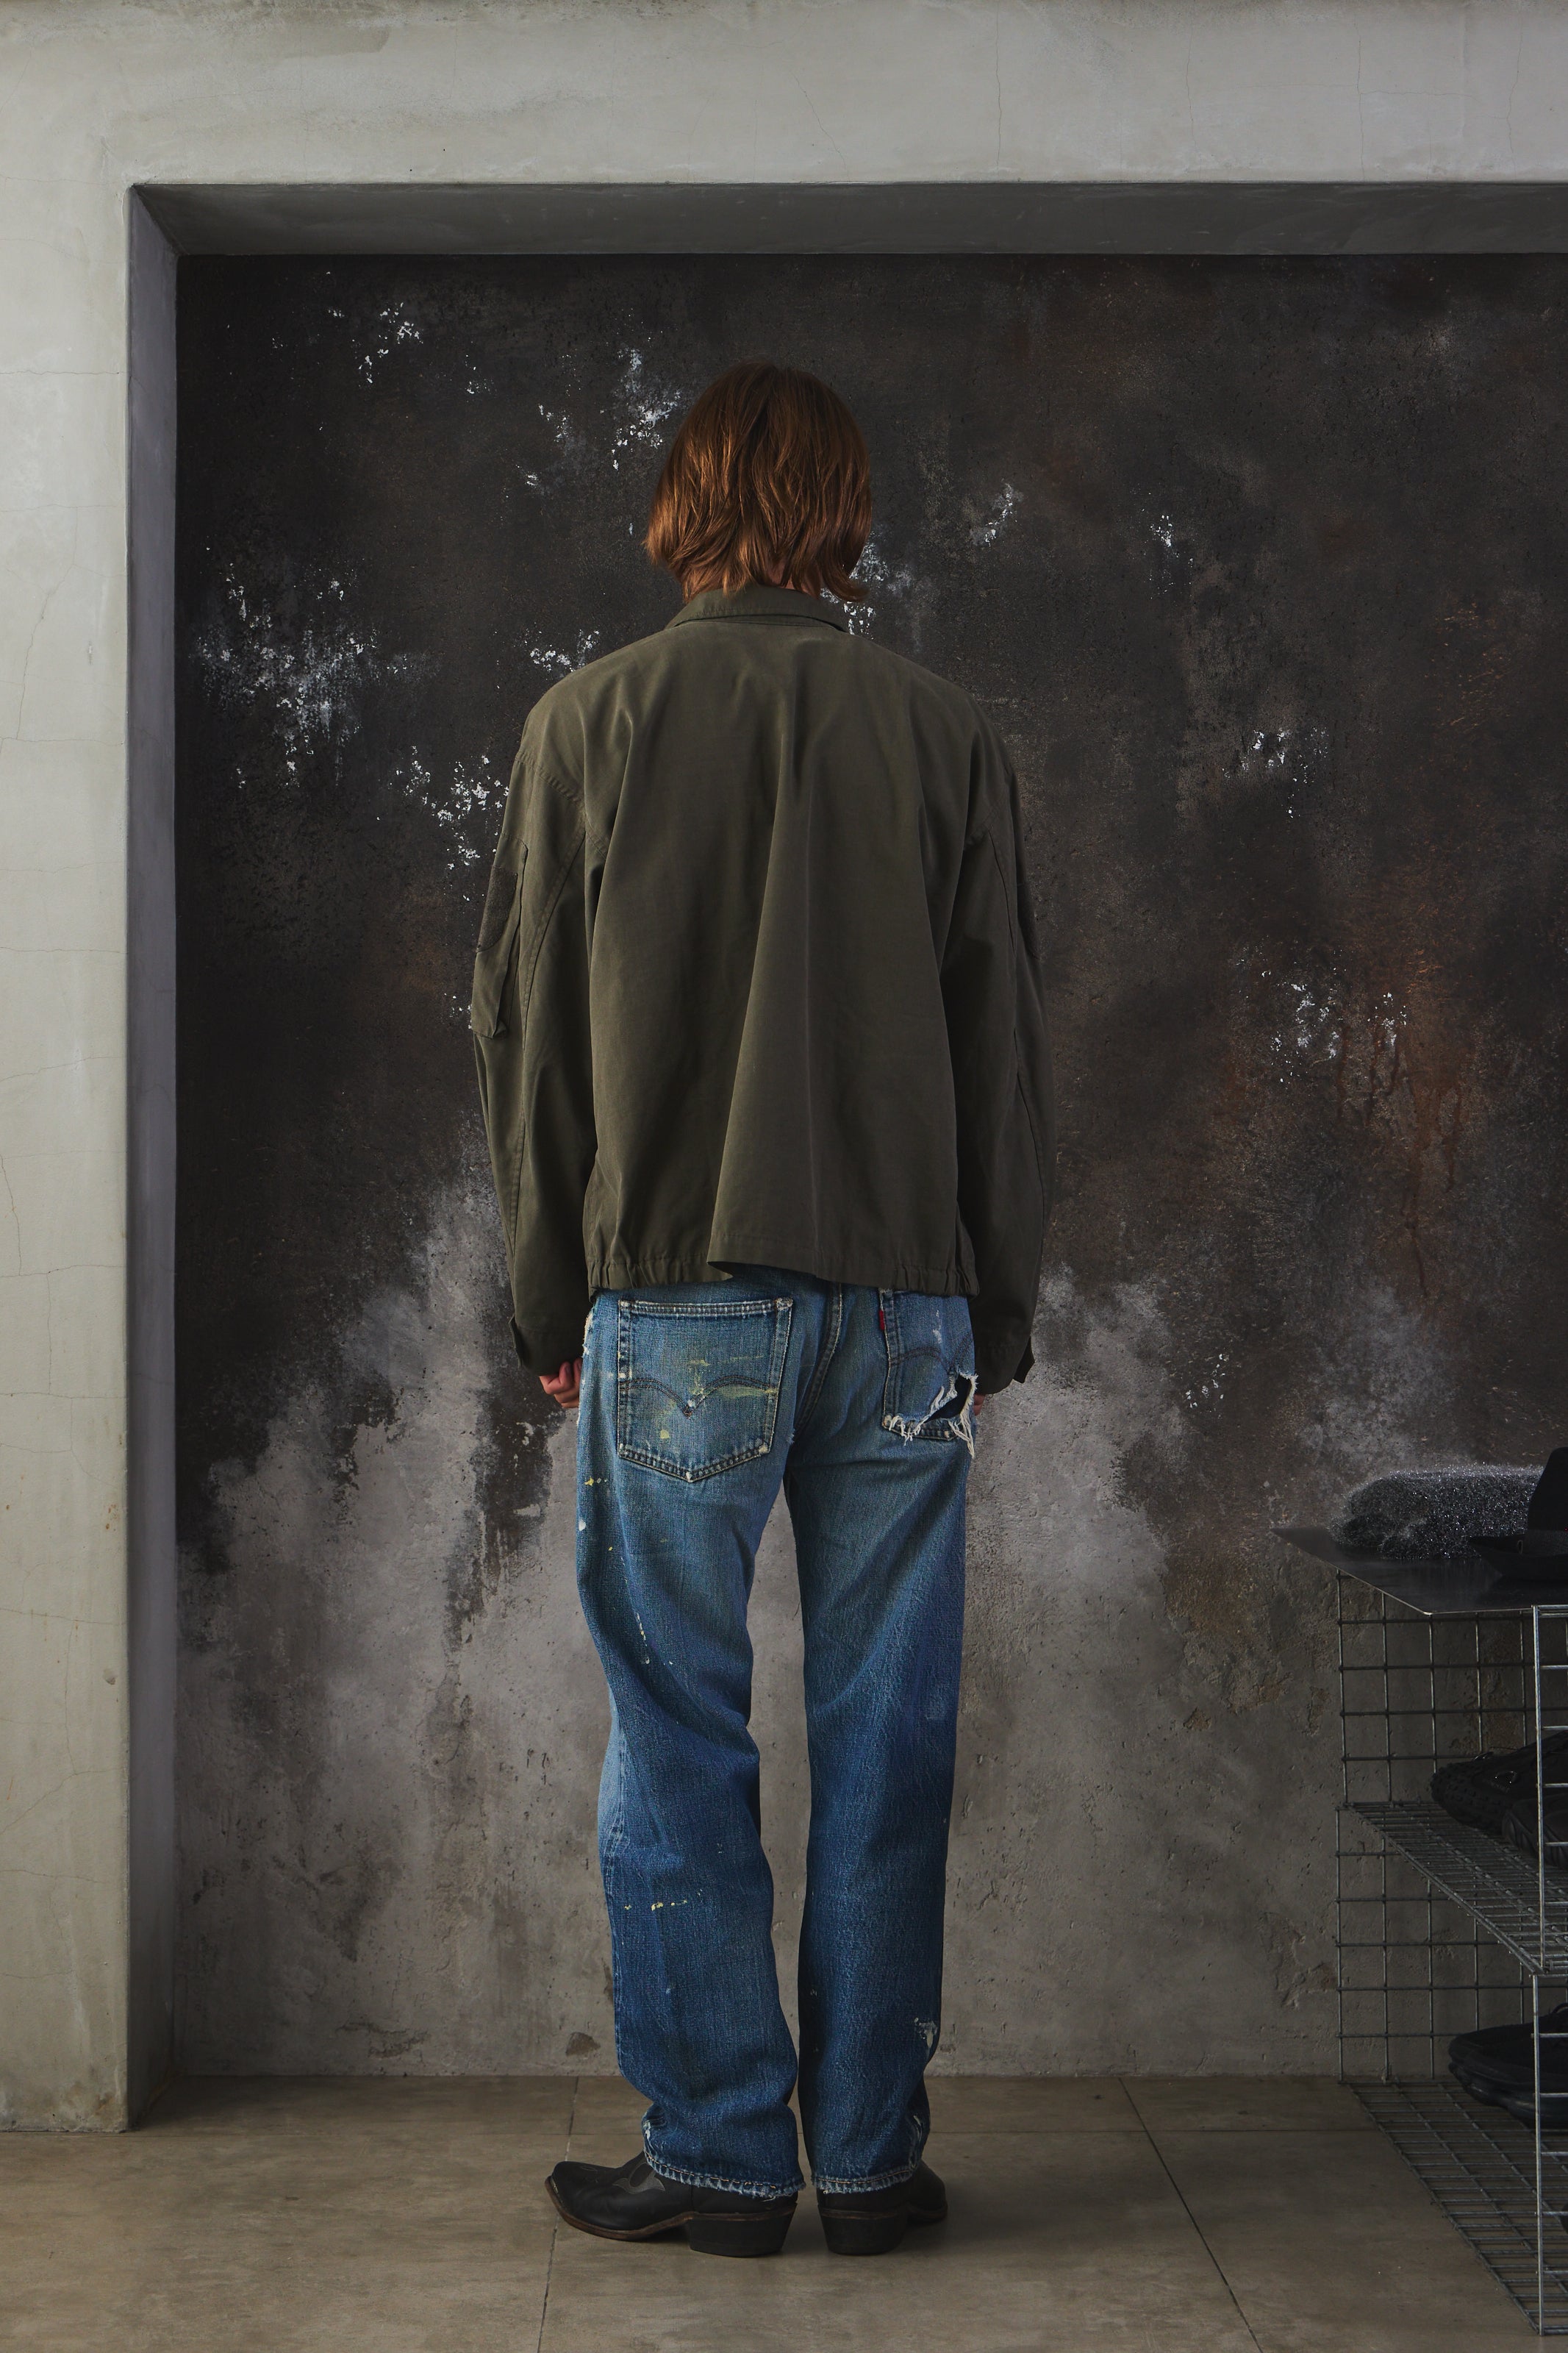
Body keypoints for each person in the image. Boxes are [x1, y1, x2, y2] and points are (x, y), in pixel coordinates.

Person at [470, 360, 1053, 2259]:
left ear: (685, 501)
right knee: (893, 1741)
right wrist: (998, 1304)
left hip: (676, 1303)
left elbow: (529, 1042)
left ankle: (724, 2157)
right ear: (843, 512)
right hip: (902, 1314)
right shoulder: (945, 729)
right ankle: (869, 2162)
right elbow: (1001, 1041)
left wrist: (550, 1297)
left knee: (677, 1735)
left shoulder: (586, 721)